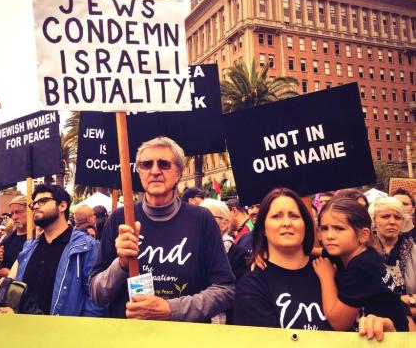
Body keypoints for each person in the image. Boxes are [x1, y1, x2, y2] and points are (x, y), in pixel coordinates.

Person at [90, 136, 235, 322]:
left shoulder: (202, 219)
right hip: (131, 338)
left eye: (164, 164)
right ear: (139, 172)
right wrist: (121, 265)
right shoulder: (120, 219)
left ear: (179, 173)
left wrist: (171, 309)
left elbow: (225, 289)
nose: (155, 171)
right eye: (146, 164)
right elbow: (96, 293)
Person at [233, 188, 331, 330]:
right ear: (263, 229)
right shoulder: (251, 286)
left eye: (294, 216)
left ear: (305, 224)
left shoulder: (331, 267)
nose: (286, 223)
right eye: (276, 216)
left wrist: (372, 320)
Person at [313, 197, 410, 331]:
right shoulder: (365, 254)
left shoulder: (361, 268)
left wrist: (326, 277)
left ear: (363, 235)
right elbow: (322, 251)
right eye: (324, 228)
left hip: (391, 338)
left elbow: (338, 322)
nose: (329, 236)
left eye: (339, 228)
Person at [15, 183, 106, 317]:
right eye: (33, 204)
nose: (35, 206)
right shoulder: (29, 248)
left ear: (62, 206)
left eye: (43, 201)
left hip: (66, 334)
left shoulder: (86, 247)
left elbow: (96, 300)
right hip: (25, 333)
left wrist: (82, 333)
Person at [369, 197, 416, 314]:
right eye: (385, 216)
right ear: (373, 220)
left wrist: (398, 304)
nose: (392, 222)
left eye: (398, 217)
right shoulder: (364, 250)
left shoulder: (413, 251)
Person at [0, 195, 28, 278]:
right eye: (12, 213)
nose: (14, 217)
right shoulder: (6, 239)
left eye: (18, 212)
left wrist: (12, 274)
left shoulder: (37, 239)